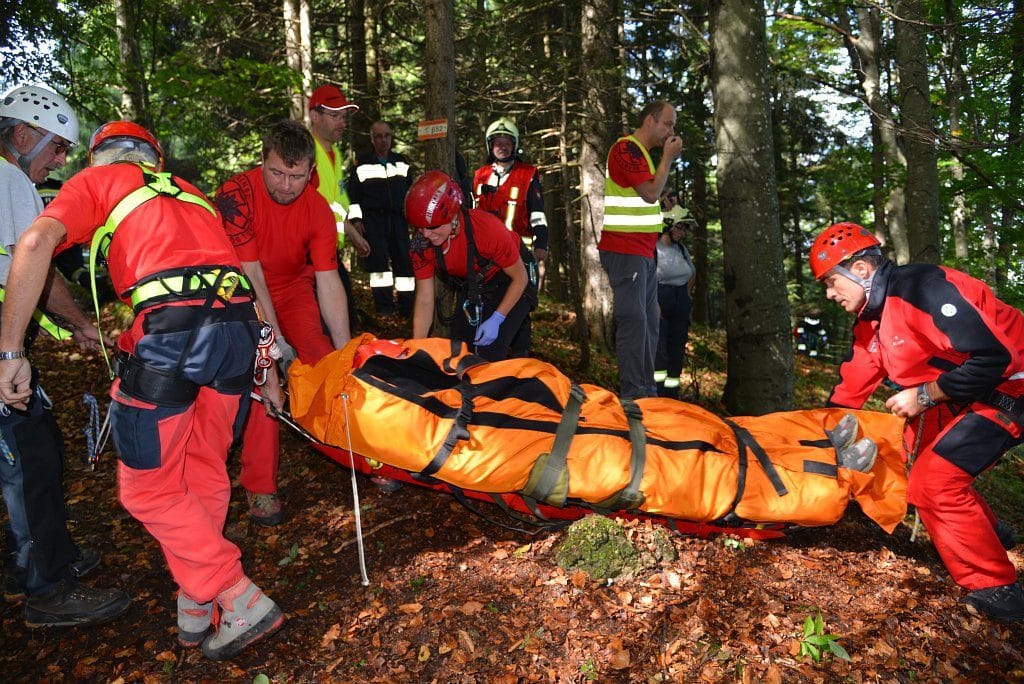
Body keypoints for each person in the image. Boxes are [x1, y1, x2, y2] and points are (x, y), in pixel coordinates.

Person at [0, 120, 283, 658]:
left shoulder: (98, 181)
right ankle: (197, 602)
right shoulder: (192, 194)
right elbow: (239, 280)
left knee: (146, 490)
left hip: (175, 341)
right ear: (154, 157)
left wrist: (11, 353)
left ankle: (235, 592)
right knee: (202, 471)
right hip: (238, 338)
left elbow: (34, 242)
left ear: (101, 155)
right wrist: (267, 369)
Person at [811, 221, 1024, 623]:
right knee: (916, 465)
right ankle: (993, 535)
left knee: (934, 482)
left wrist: (924, 395)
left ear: (859, 270)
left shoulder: (922, 287)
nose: (829, 294)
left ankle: (998, 590)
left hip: (1012, 382)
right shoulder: (870, 321)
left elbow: (995, 357)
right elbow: (850, 386)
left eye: (830, 282)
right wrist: (817, 436)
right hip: (966, 387)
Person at [0, 84, 129, 627]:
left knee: (33, 452)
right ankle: (47, 587)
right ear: (23, 134)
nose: (62, 161)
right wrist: (75, 325)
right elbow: (35, 267)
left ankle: (30, 561)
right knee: (30, 463)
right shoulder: (10, 180)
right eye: (57, 148)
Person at [216, 119, 351, 525]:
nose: (286, 185)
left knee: (323, 357)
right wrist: (273, 348)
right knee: (262, 375)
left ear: (311, 173)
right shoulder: (236, 194)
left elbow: (328, 283)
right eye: (276, 172)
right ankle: (261, 485)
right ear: (262, 162)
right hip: (238, 289)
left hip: (292, 287)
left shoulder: (319, 210)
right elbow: (252, 277)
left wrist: (345, 356)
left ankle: (356, 447)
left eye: (296, 176)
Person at [599, 100, 682, 399]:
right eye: (668, 124)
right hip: (625, 250)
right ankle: (635, 395)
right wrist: (669, 159)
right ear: (650, 120)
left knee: (649, 325)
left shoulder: (644, 156)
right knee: (635, 322)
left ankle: (647, 393)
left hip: (644, 253)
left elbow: (647, 198)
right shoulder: (626, 149)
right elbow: (649, 193)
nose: (671, 131)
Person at [406, 170, 536, 361]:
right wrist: (417, 347)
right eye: (420, 227)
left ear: (452, 218)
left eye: (433, 227)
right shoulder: (422, 247)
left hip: (513, 277)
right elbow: (425, 298)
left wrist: (497, 319)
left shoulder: (486, 230)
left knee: (488, 354)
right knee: (459, 353)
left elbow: (520, 277)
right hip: (475, 284)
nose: (425, 234)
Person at [307, 84, 370, 325]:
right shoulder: (307, 152)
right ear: (315, 116)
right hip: (311, 254)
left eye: (344, 116)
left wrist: (352, 230)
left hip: (329, 249)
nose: (342, 122)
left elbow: (336, 202)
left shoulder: (334, 152)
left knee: (343, 317)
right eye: (334, 115)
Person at [346, 121, 415, 318]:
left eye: (386, 136)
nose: (383, 140)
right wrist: (357, 221)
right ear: (372, 139)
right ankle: (384, 308)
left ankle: (407, 308)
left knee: (405, 263)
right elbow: (354, 196)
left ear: (391, 138)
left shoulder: (401, 161)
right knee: (379, 267)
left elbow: (411, 192)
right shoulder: (362, 163)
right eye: (379, 136)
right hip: (373, 220)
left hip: (399, 219)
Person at [471, 117, 549, 264]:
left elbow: (537, 213)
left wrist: (541, 243)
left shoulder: (527, 175)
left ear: (514, 146)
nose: (502, 147)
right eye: (498, 143)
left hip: (518, 252)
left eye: (507, 143)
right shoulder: (480, 175)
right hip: (483, 253)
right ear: (490, 146)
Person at [653, 206, 696, 399]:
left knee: (676, 352)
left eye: (684, 229)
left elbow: (691, 273)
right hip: (660, 301)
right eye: (679, 227)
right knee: (660, 354)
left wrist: (686, 296)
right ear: (668, 226)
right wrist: (654, 303)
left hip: (680, 304)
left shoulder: (681, 249)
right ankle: (657, 393)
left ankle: (672, 395)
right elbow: (648, 277)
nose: (682, 232)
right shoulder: (654, 248)